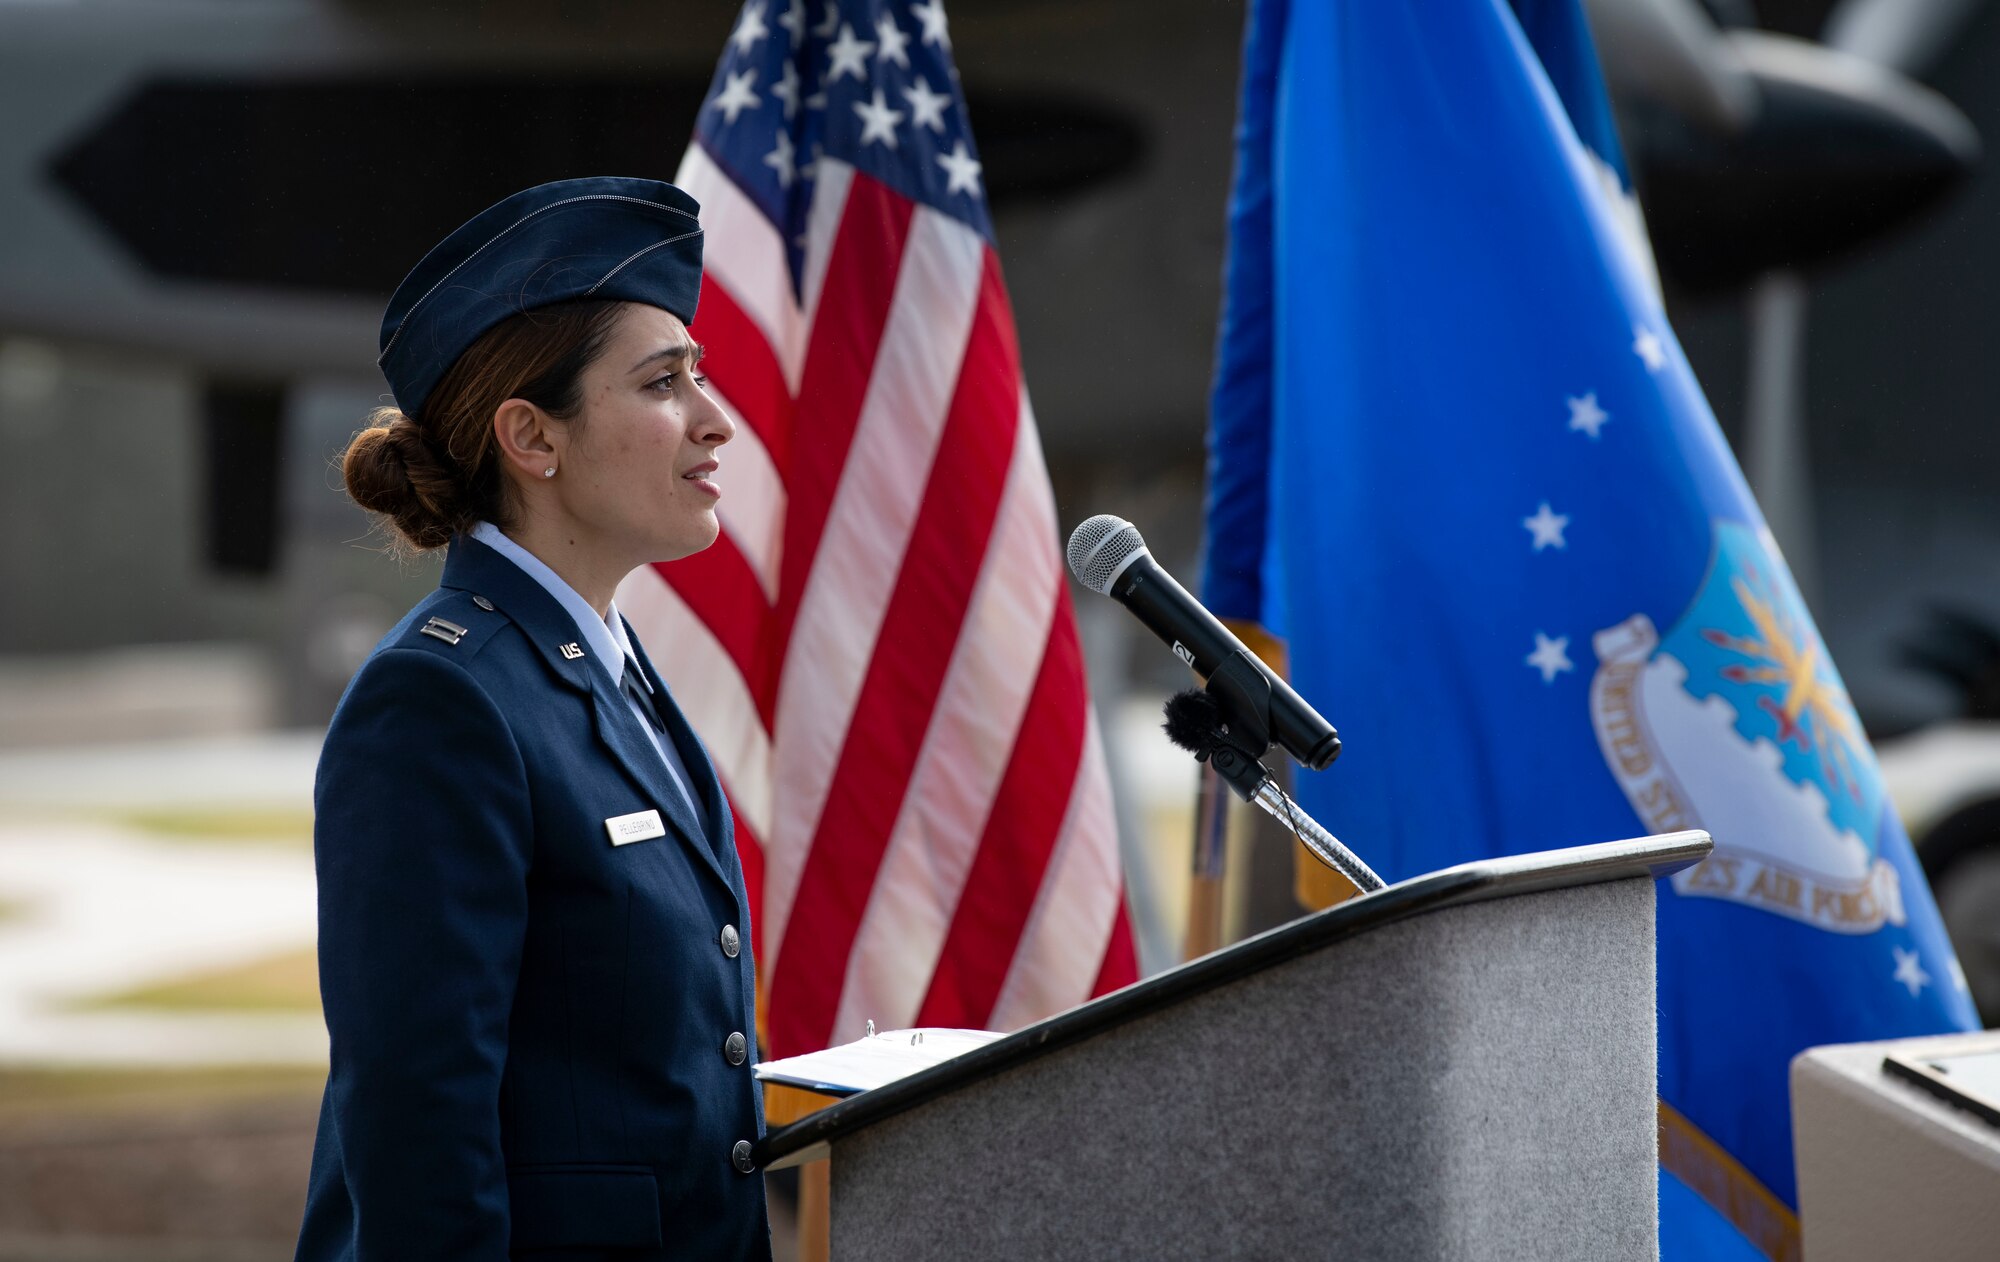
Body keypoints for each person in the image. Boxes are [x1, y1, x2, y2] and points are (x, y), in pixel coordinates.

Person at [292, 176, 770, 1261]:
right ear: (531, 436)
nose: (716, 419)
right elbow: (418, 1127)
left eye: (699, 374)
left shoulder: (610, 664)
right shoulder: (441, 699)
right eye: (664, 382)